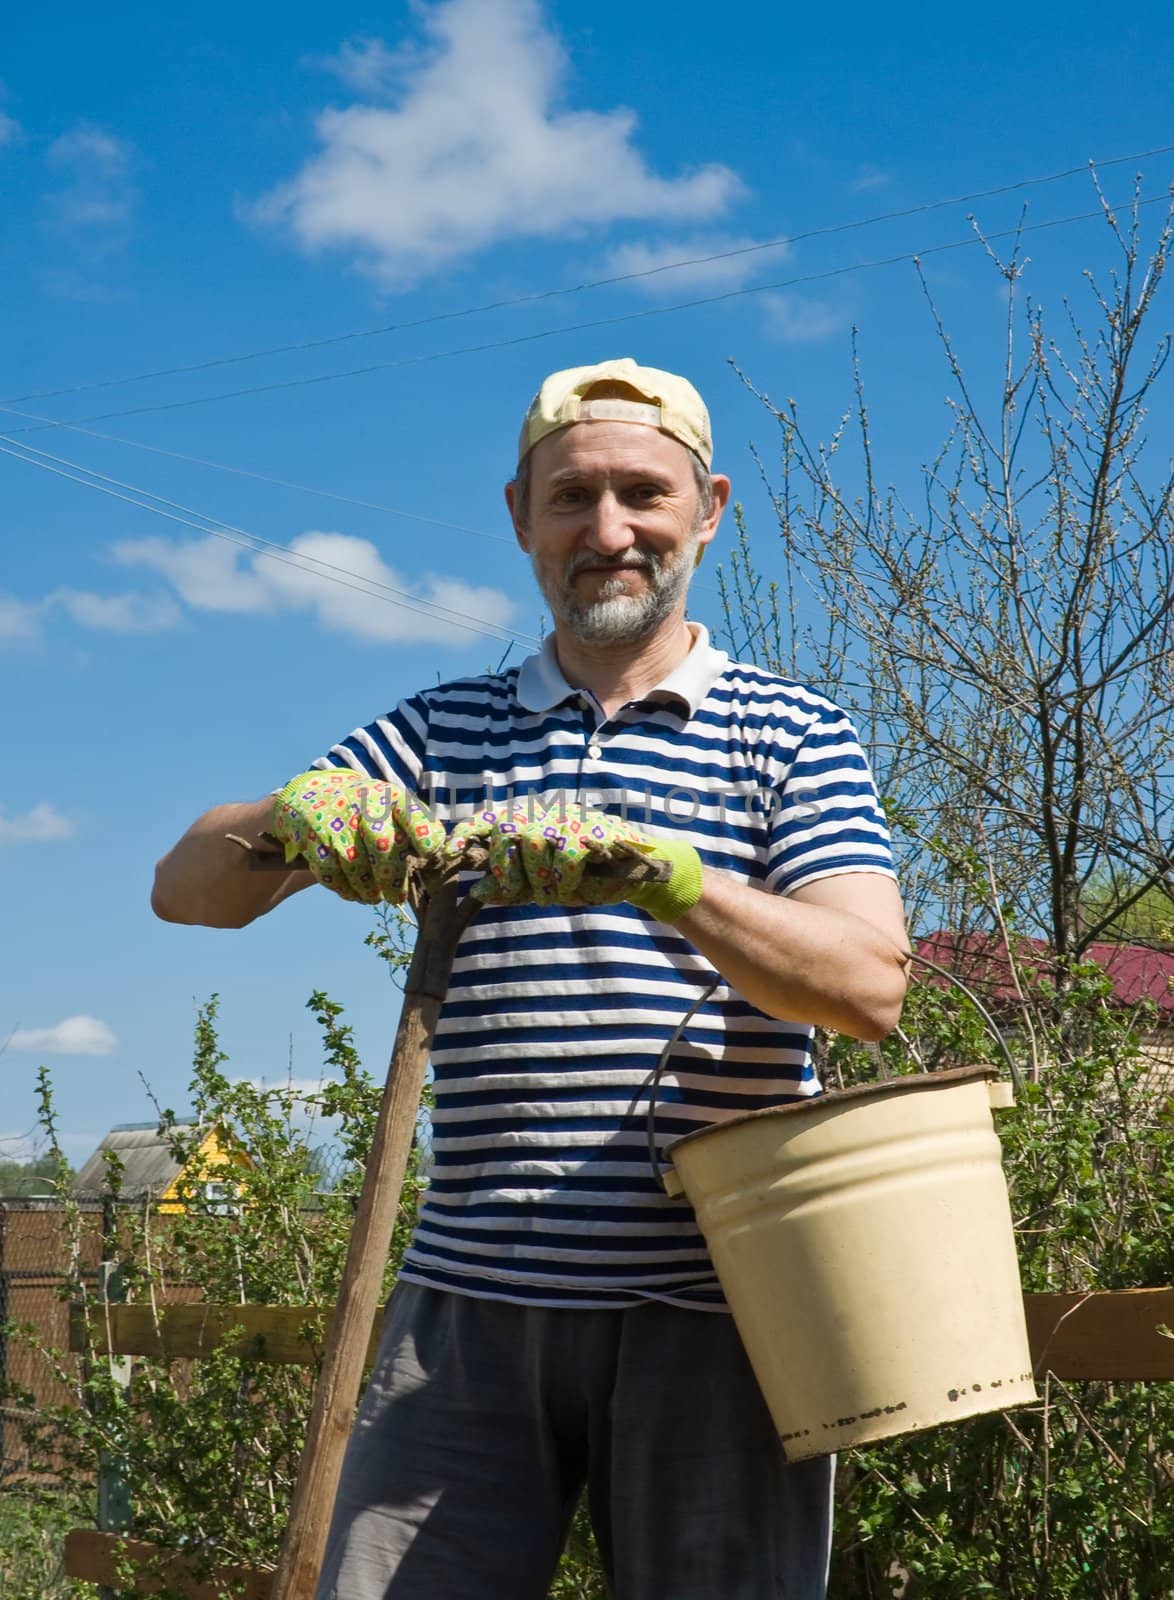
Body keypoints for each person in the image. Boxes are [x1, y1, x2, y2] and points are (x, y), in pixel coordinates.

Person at [152, 357, 910, 1600]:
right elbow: (187, 891)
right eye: (570, 498)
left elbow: (866, 986)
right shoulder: (444, 735)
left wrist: (668, 877)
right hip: (466, 1311)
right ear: (520, 517)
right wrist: (294, 816)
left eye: (641, 494)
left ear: (707, 509)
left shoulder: (791, 734)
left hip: (721, 1312)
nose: (608, 530)